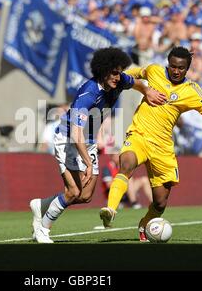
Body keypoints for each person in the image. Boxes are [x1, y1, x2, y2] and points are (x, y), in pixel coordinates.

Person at [29, 47, 167, 243]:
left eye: (120, 72)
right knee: (73, 192)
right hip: (68, 140)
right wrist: (87, 163)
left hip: (89, 141)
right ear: (102, 70)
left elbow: (135, 82)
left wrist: (147, 90)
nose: (118, 77)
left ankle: (42, 205)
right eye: (114, 72)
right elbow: (76, 134)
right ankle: (42, 229)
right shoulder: (88, 94)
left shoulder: (119, 80)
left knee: (85, 196)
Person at [98, 46, 202, 241]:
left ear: (187, 69)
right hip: (139, 135)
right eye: (173, 66)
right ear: (167, 64)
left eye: (181, 68)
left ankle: (144, 224)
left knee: (160, 203)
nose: (176, 71)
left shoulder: (191, 90)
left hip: (162, 148)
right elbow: (136, 73)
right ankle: (110, 210)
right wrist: (119, 76)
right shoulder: (154, 71)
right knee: (126, 164)